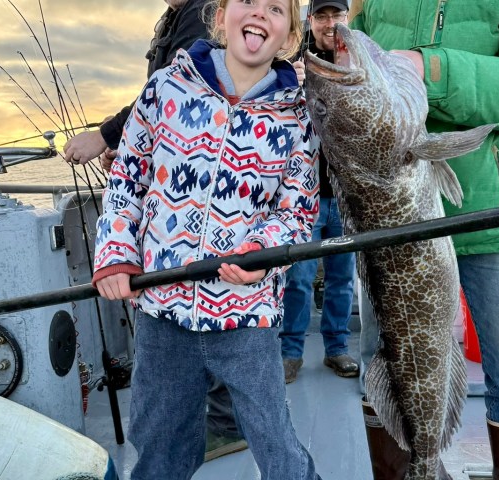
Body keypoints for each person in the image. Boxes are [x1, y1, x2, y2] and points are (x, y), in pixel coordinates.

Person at [350, 1, 499, 479]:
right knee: (388, 361)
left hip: (495, 216)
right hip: (395, 221)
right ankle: (415, 469)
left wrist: (427, 69)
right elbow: (360, 45)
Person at [91, 0, 322, 477]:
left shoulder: (298, 116)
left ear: (289, 36)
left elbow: (296, 212)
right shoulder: (164, 89)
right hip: (162, 311)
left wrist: (263, 253)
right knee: (157, 446)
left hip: (247, 316)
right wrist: (116, 254)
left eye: (276, 8)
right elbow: (126, 183)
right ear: (220, 17)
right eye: (248, 2)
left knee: (276, 443)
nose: (259, 13)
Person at [63, 0, 248, 461]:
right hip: (175, 188)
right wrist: (131, 144)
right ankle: (203, 421)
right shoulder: (173, 16)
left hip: (198, 194)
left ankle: (225, 424)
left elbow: (181, 87)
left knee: (208, 296)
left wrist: (105, 136)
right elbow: (158, 102)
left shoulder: (204, 12)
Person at [279, 0, 358, 384]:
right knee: (298, 278)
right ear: (310, 21)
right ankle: (290, 351)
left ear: (346, 19)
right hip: (304, 196)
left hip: (347, 196)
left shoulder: (358, 60)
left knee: (342, 278)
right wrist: (289, 88)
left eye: (337, 16)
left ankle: (337, 349)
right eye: (322, 16)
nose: (330, 24)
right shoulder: (289, 63)